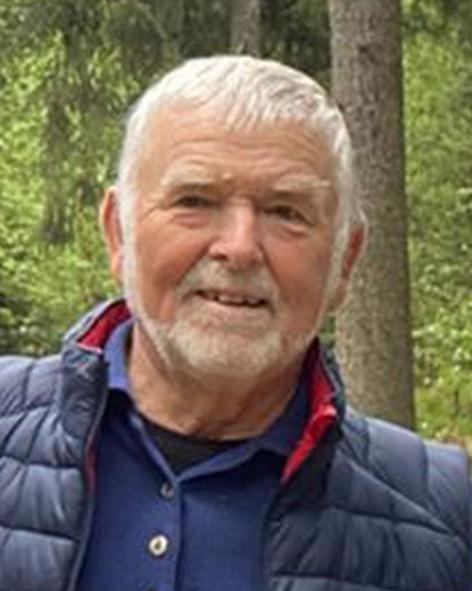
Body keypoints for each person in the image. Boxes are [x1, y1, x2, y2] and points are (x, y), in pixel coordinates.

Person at [0, 56, 470, 591]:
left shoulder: (442, 520)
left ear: (345, 261)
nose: (240, 248)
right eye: (194, 201)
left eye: (286, 212)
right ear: (118, 234)